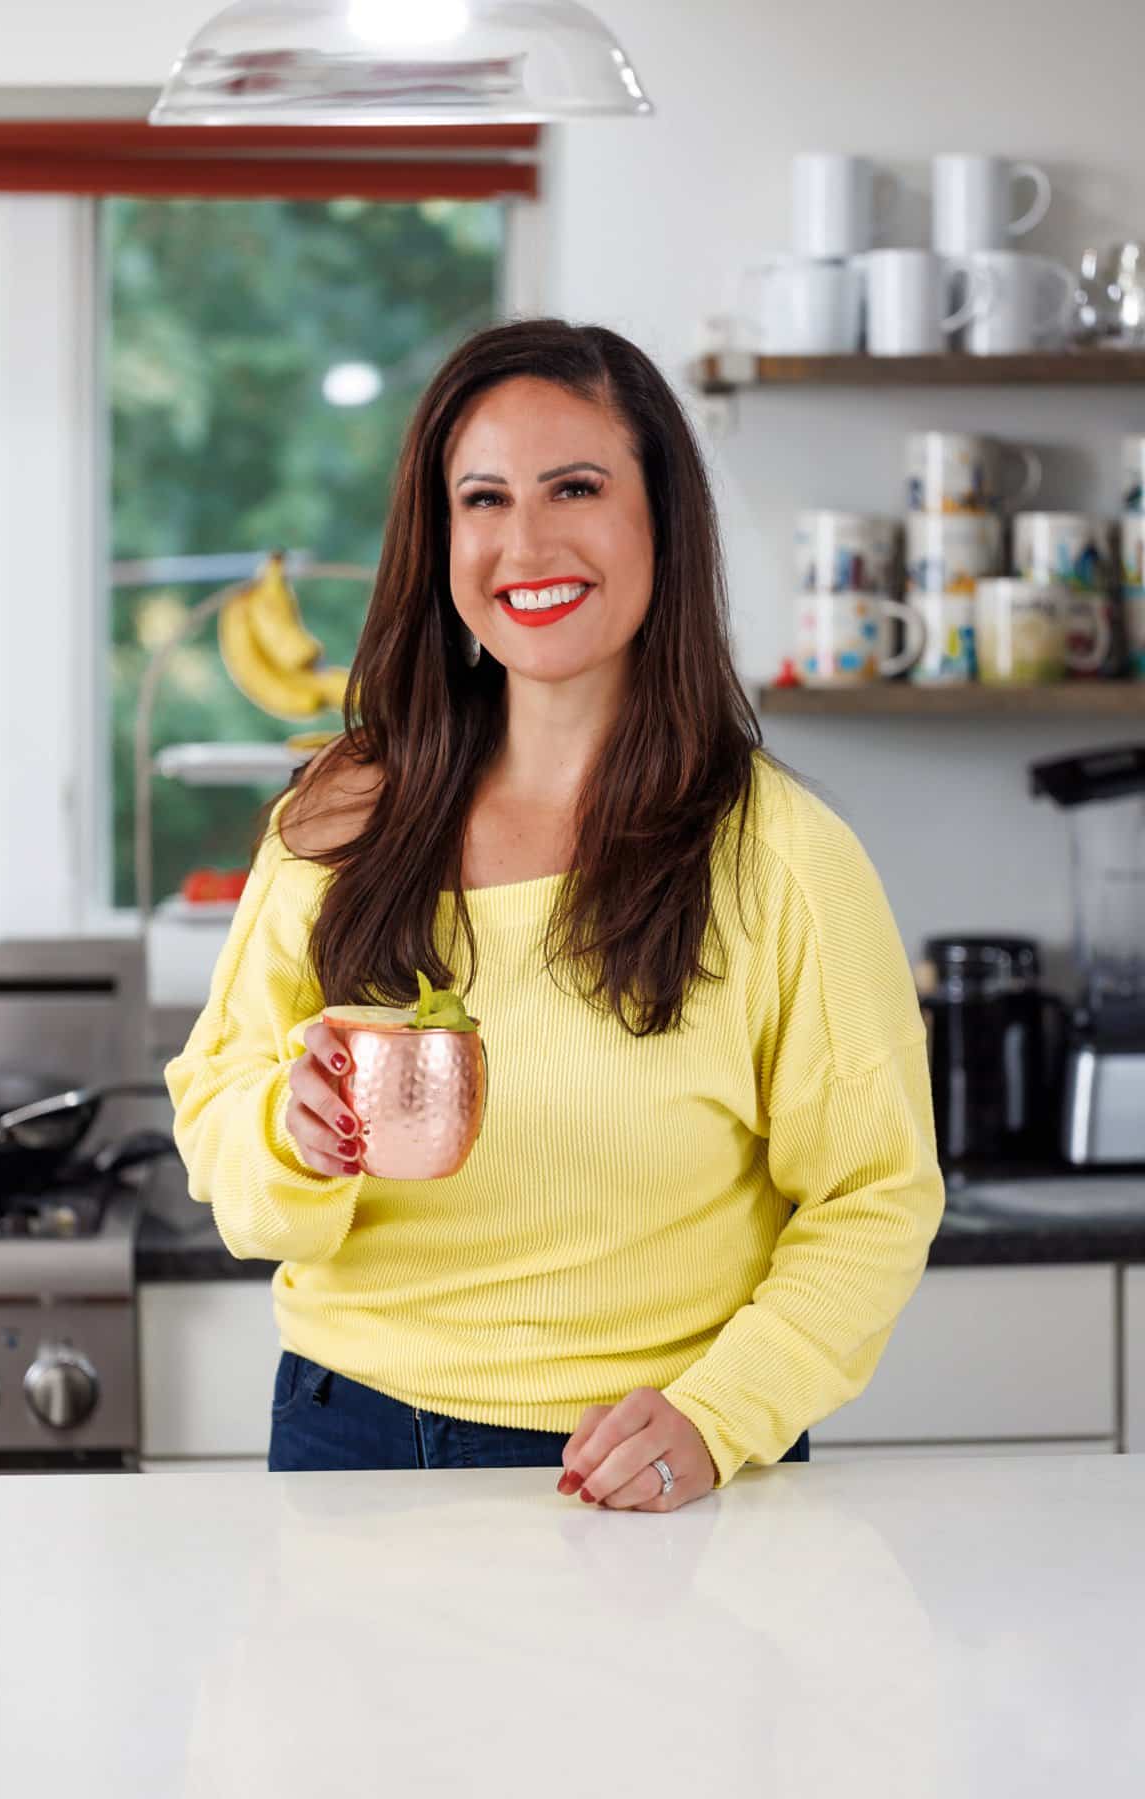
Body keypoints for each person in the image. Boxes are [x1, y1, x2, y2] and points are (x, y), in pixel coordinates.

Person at [165, 318, 945, 1513]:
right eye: (483, 498)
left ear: (660, 519)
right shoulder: (340, 819)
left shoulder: (783, 855)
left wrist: (720, 1410)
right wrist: (289, 1127)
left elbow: (876, 1195)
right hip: (346, 1446)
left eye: (574, 486)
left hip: (648, 1465)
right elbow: (220, 1111)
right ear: (441, 540)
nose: (525, 541)